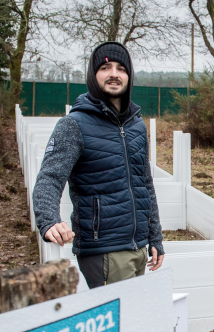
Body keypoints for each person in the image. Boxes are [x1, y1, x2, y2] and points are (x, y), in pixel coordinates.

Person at [33, 41, 164, 288]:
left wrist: (155, 237)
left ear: (129, 76)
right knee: (121, 323)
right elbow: (49, 177)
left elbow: (145, 183)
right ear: (94, 76)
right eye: (106, 68)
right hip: (104, 250)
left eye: (121, 69)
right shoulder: (74, 125)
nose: (114, 74)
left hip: (137, 247)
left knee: (131, 323)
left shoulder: (136, 125)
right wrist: (48, 219)